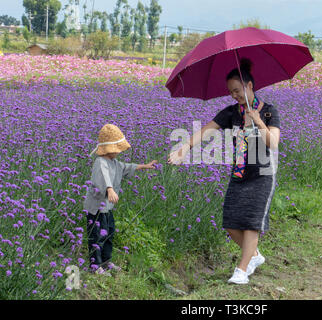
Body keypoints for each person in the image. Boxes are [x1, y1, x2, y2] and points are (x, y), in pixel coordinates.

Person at [168, 59, 281, 285]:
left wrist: (258, 121)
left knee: (251, 222)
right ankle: (255, 256)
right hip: (239, 174)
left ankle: (241, 269)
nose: (234, 95)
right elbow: (206, 130)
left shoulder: (269, 111)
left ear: (249, 86)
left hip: (262, 175)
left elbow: (273, 143)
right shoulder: (232, 113)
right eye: (231, 92)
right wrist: (184, 148)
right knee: (230, 222)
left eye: (237, 90)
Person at [83, 124, 158, 274]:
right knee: (97, 236)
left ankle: (106, 262)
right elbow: (102, 177)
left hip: (106, 208)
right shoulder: (100, 162)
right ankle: (95, 266)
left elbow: (126, 167)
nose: (118, 152)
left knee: (109, 233)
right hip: (96, 207)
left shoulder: (114, 163)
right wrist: (110, 189)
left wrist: (144, 166)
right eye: (117, 149)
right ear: (110, 148)